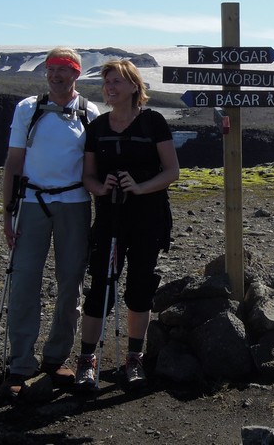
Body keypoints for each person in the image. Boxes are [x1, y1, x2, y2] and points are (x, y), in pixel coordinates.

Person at [74, 59, 179, 391]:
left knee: (140, 286)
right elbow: (87, 176)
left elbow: (171, 171)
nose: (110, 88)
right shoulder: (97, 127)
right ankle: (86, 360)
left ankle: (135, 358)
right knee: (100, 287)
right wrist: (101, 187)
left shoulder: (153, 122)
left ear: (134, 86)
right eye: (107, 82)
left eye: (116, 81)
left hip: (148, 218)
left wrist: (140, 187)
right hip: (110, 218)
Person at [1, 47, 99, 399]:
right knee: (24, 280)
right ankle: (20, 363)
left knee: (71, 282)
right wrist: (8, 213)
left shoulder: (89, 112)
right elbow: (14, 162)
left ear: (76, 74)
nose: (56, 75)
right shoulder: (28, 109)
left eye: (64, 69)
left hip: (74, 203)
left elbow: (94, 164)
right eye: (51, 69)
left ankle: (56, 357)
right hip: (32, 202)